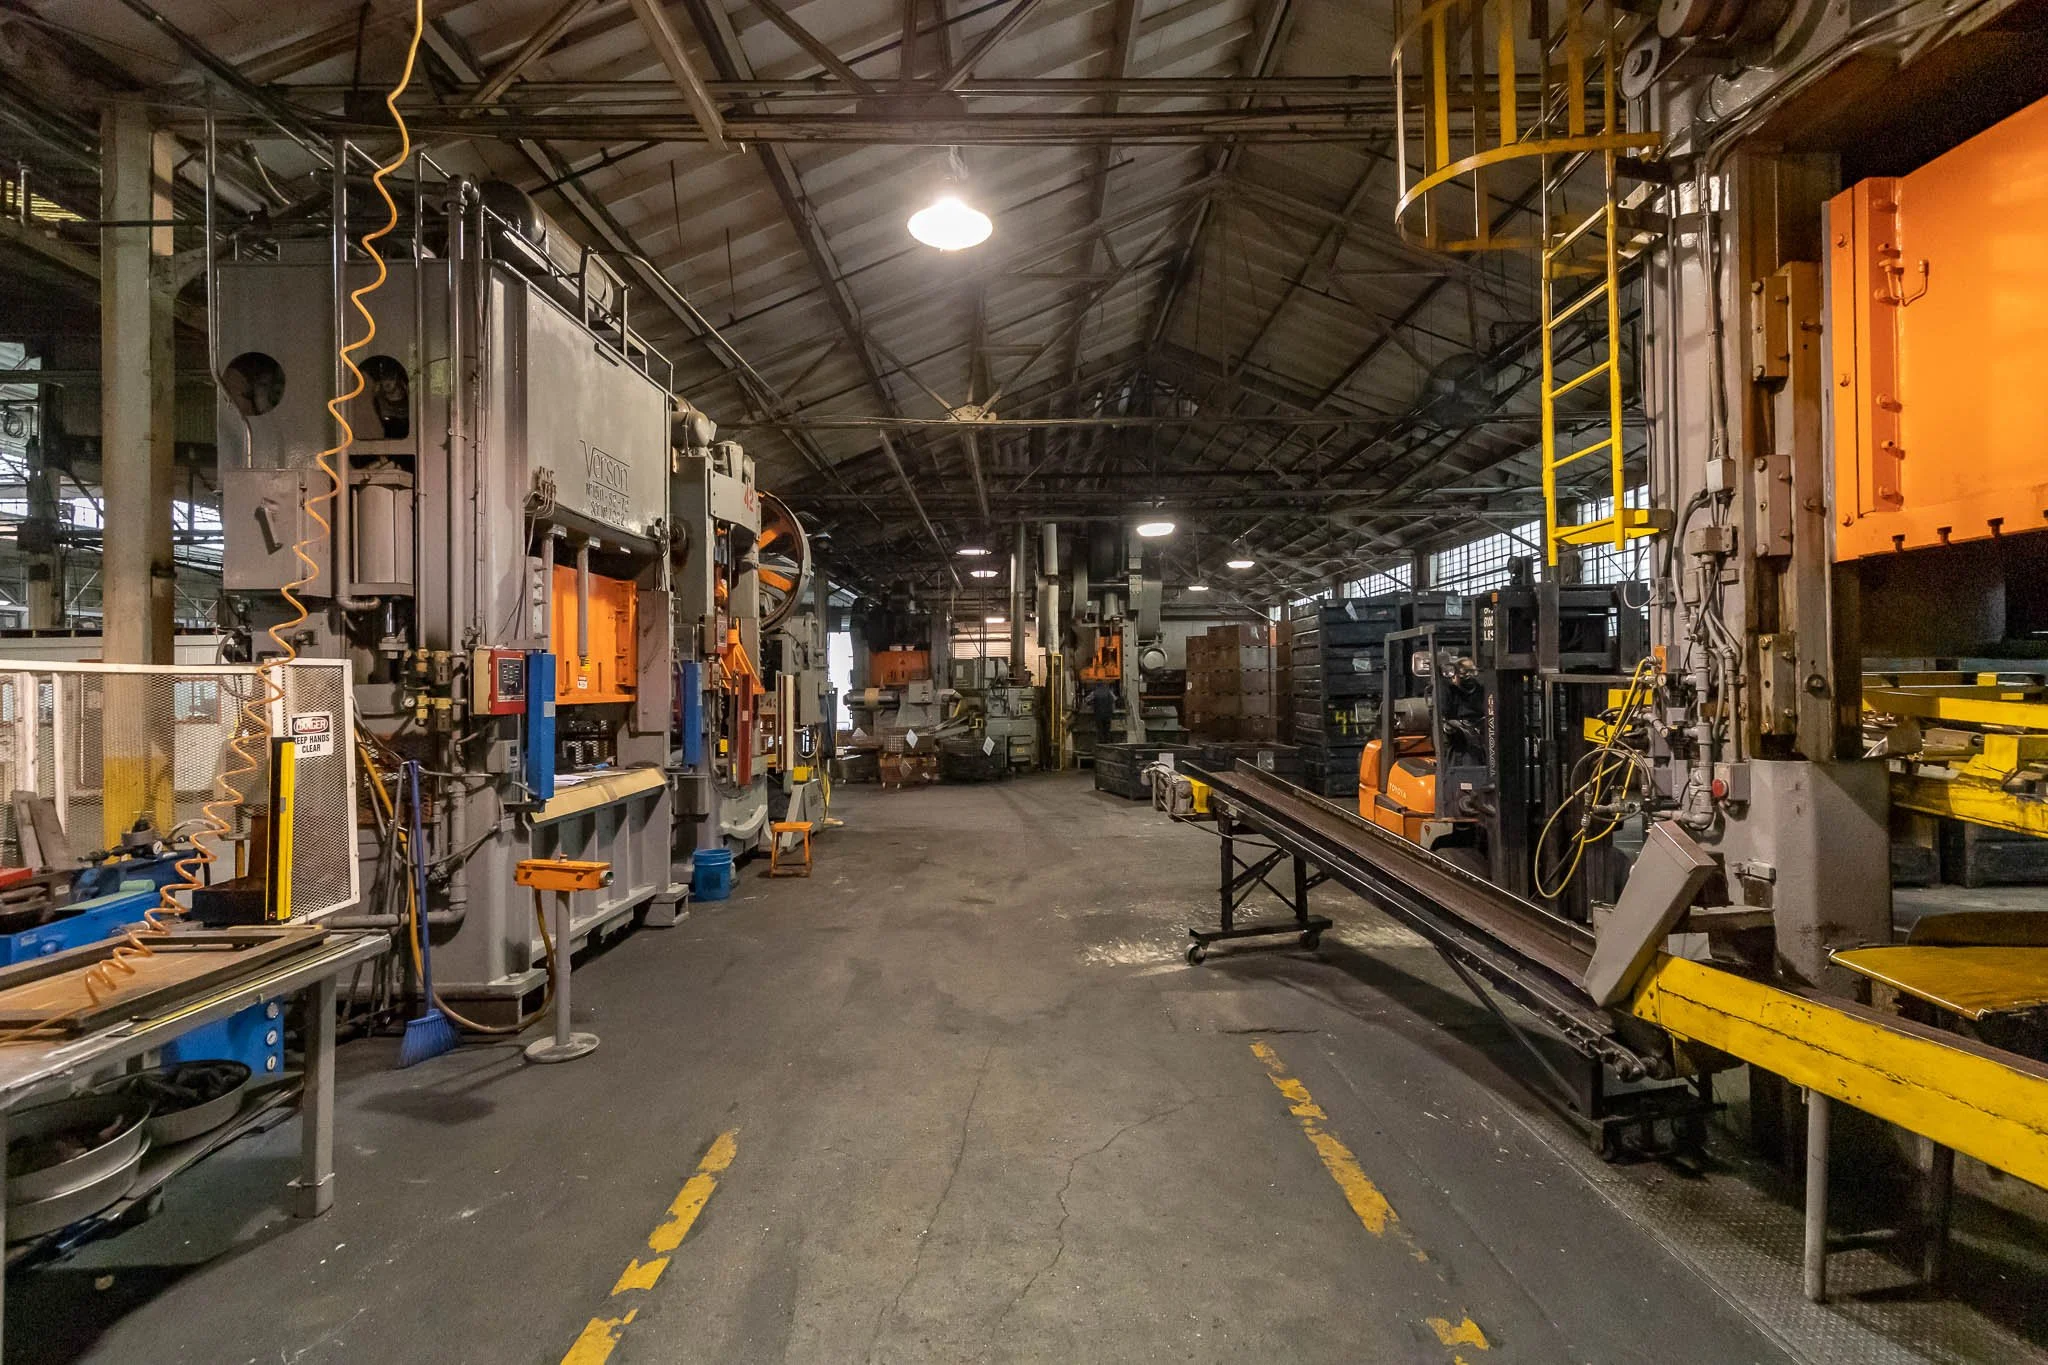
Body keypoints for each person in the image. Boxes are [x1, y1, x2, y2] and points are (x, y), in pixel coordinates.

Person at [1089, 678, 1118, 745]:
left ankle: (1101, 745)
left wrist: (1092, 704)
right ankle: (1107, 744)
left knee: (1100, 731)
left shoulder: (1094, 692)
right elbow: (1115, 699)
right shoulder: (1109, 691)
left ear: (1096, 685)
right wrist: (1113, 710)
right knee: (1107, 730)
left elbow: (1087, 699)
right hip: (1108, 715)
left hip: (1098, 715)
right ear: (1103, 684)